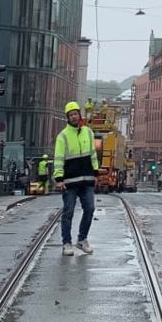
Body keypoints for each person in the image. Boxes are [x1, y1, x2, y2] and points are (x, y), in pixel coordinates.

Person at [54, 101, 100, 255]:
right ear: (67, 117)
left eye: (75, 113)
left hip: (87, 179)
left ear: (79, 114)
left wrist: (96, 173)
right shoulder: (63, 136)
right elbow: (58, 158)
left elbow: (93, 154)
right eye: (71, 115)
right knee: (68, 212)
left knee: (90, 209)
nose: (74, 116)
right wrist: (59, 179)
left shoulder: (88, 132)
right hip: (70, 181)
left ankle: (82, 240)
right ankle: (67, 243)